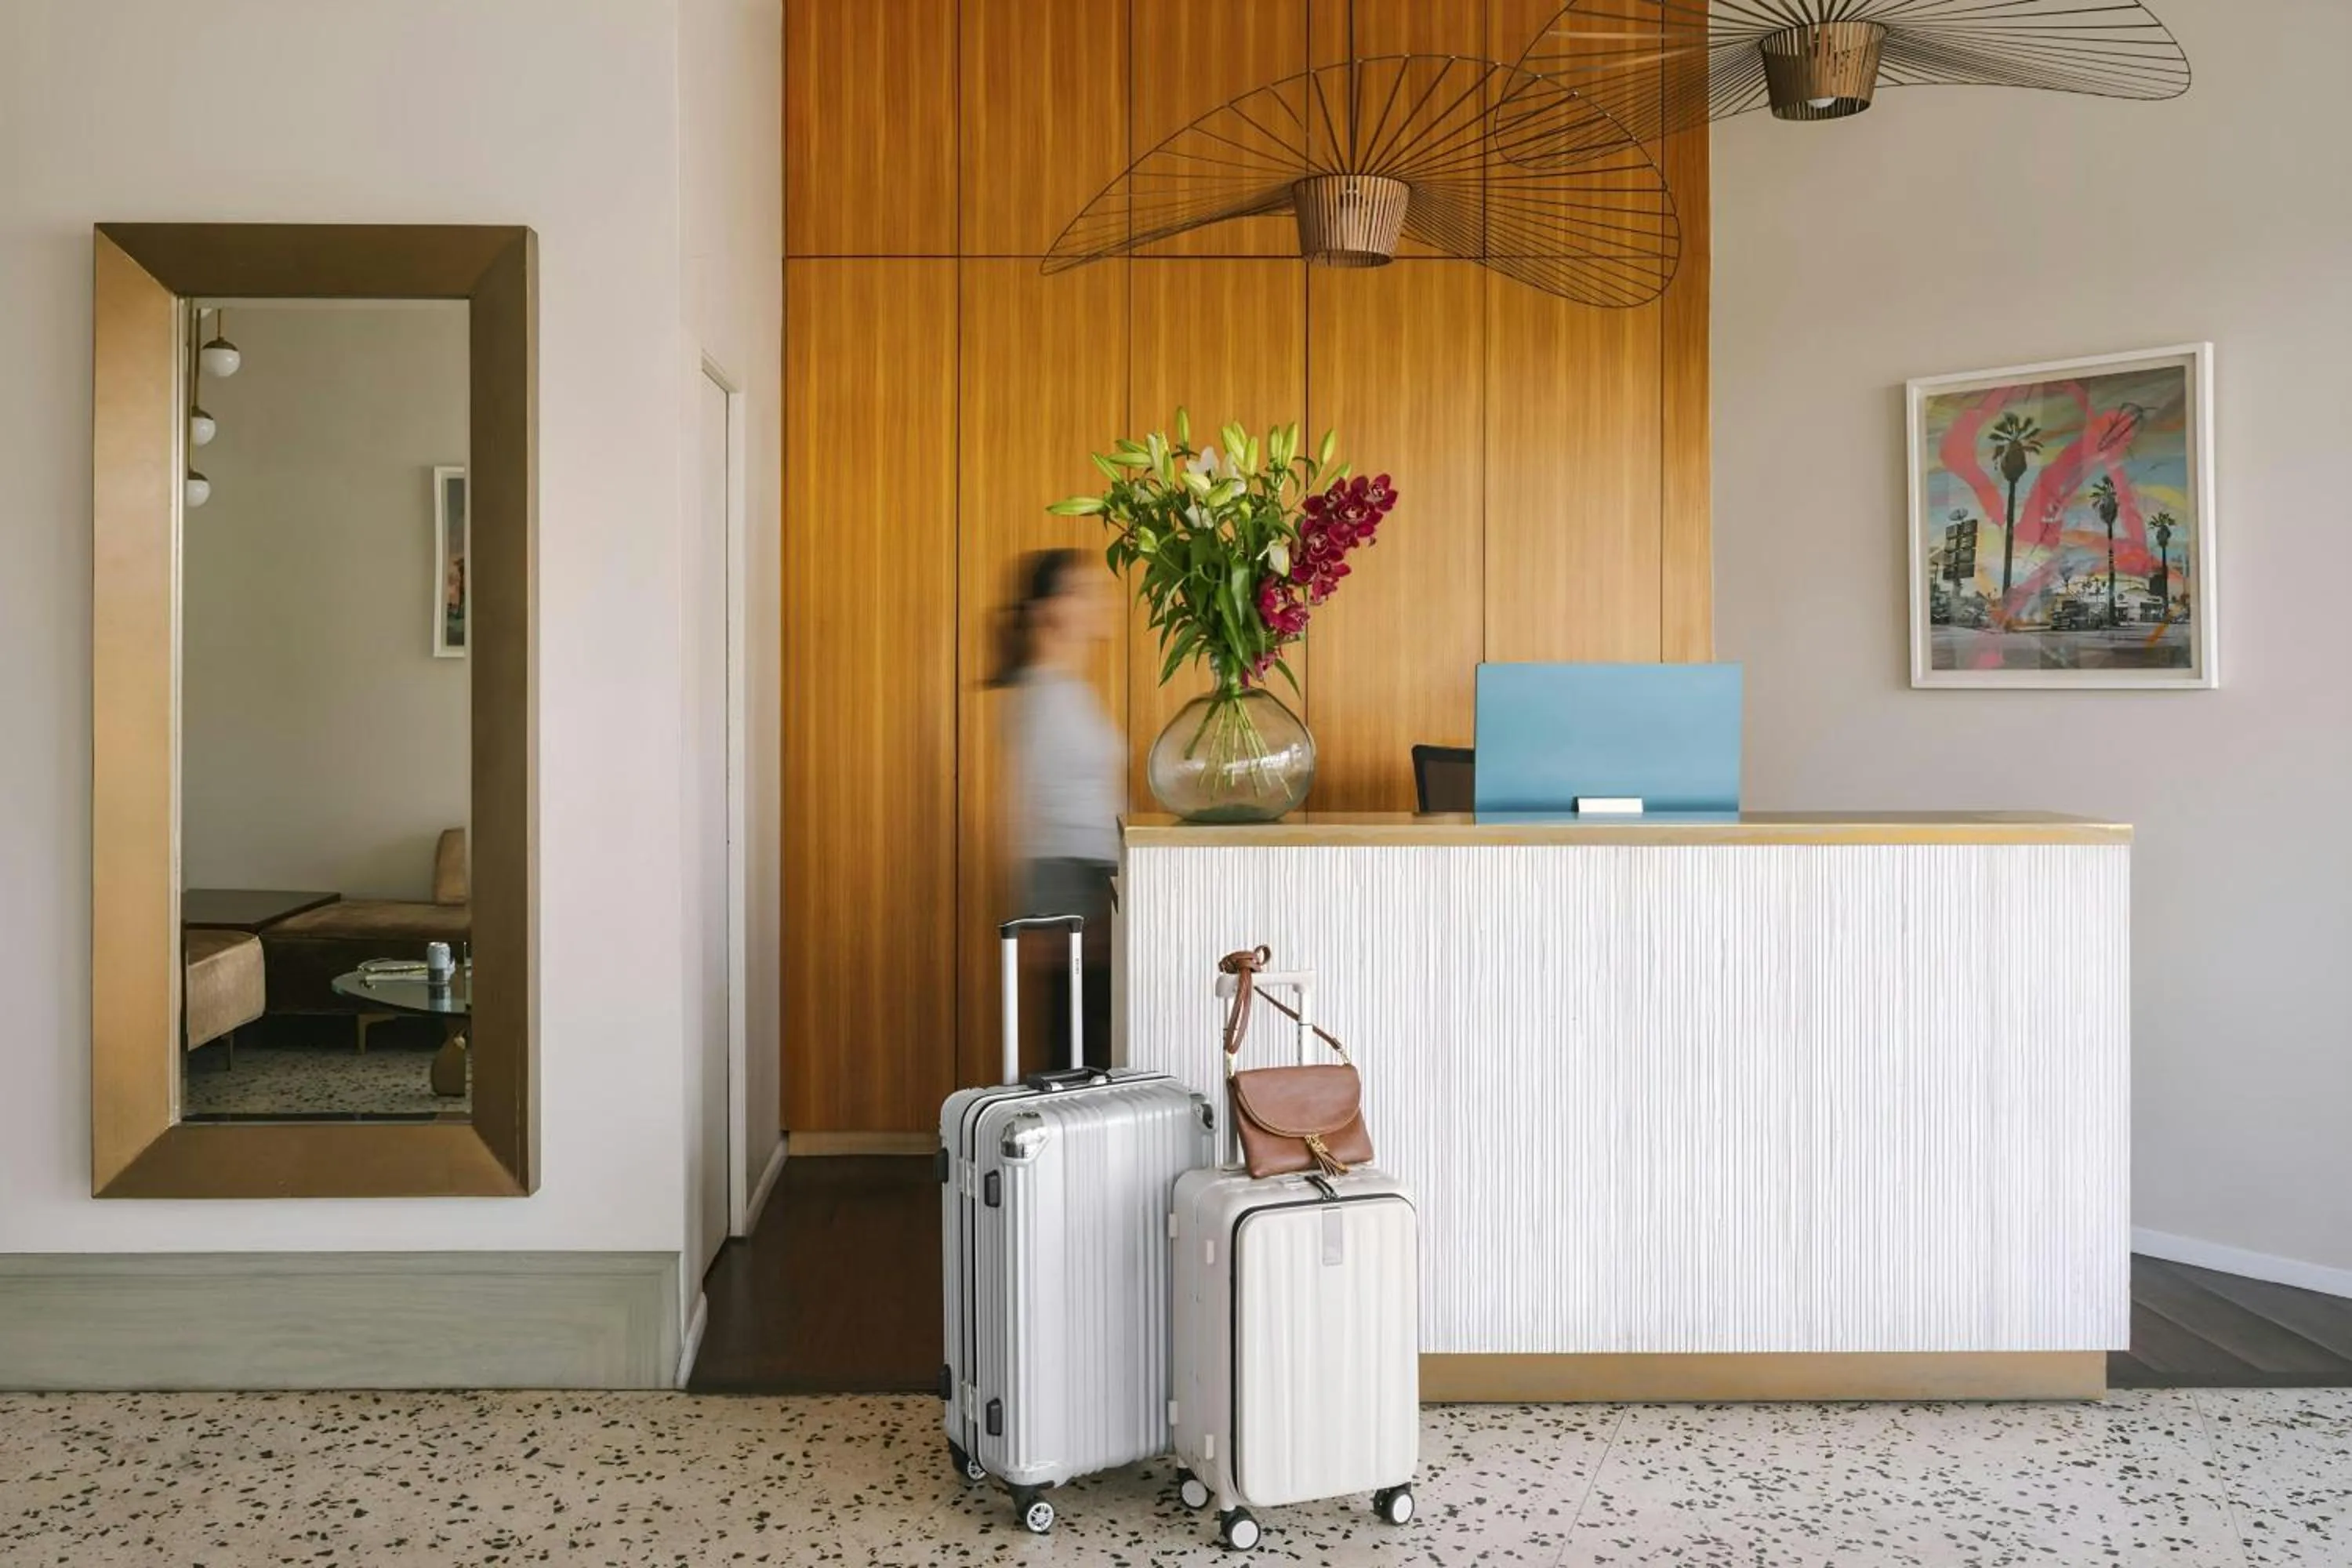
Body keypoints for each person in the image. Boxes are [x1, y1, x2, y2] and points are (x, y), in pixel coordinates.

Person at [992, 549, 1121, 1069]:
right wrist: (1048, 911)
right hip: (1073, 882)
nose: (1100, 602)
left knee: (1083, 1041)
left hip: (1091, 879)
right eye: (1084, 591)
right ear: (1051, 609)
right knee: (1076, 1045)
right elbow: (1028, 812)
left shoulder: (1067, 690)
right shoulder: (1044, 694)